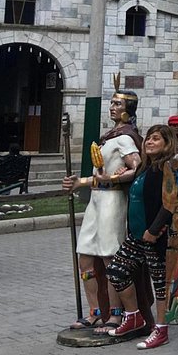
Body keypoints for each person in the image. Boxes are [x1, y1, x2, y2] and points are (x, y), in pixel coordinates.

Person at [62, 90, 142, 330]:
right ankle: (95, 311)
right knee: (85, 258)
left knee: (110, 259)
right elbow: (100, 175)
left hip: (113, 202)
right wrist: (80, 182)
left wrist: (115, 179)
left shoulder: (126, 138)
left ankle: (116, 315)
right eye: (111, 102)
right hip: (96, 202)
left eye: (117, 103)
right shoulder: (109, 137)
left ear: (128, 108)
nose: (112, 106)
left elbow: (136, 168)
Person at [104, 124, 177, 348]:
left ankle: (161, 330)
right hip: (136, 235)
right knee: (116, 271)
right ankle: (133, 315)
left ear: (167, 144)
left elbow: (169, 203)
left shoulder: (167, 168)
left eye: (156, 139)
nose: (150, 142)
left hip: (155, 236)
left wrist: (154, 230)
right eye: (148, 139)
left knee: (159, 283)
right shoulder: (144, 168)